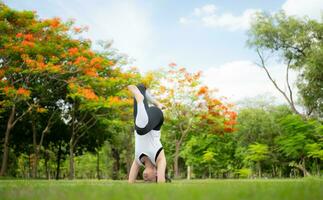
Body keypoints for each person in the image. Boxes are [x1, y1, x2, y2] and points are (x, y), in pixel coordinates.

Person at [127, 84, 167, 183]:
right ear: (156, 173)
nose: (145, 178)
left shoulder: (138, 160)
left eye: (145, 180)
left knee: (140, 88)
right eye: (150, 179)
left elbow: (130, 183)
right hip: (156, 116)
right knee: (141, 130)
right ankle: (154, 105)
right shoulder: (159, 159)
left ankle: (145, 99)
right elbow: (162, 184)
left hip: (140, 120)